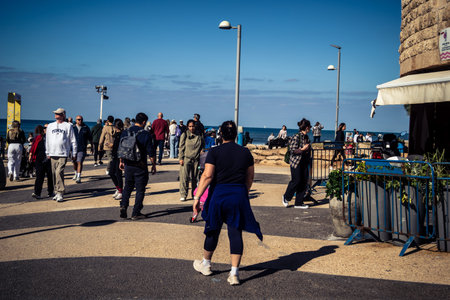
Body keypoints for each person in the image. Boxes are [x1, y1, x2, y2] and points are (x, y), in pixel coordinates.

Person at [192, 120, 262, 286]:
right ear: (236, 134)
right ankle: (234, 273)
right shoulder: (245, 152)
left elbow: (207, 176)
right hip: (238, 195)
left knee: (213, 230)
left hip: (219, 195)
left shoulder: (214, 152)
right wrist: (243, 191)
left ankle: (206, 264)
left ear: (221, 134)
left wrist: (197, 198)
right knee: (235, 232)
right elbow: (250, 177)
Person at [119, 112, 156, 220]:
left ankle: (124, 205)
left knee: (128, 186)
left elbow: (121, 148)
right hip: (140, 165)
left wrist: (121, 161)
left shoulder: (126, 132)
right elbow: (151, 153)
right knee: (140, 189)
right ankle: (136, 212)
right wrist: (153, 165)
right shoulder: (145, 134)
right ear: (144, 122)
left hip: (128, 164)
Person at [46, 108, 77, 202]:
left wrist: (74, 152)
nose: (56, 115)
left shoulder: (68, 126)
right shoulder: (50, 126)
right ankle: (56, 191)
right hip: (52, 152)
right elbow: (47, 140)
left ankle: (60, 192)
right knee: (54, 173)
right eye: (55, 113)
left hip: (63, 153)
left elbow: (73, 140)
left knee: (59, 172)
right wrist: (47, 152)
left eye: (59, 114)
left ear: (63, 115)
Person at [282, 118, 312, 209]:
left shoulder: (306, 137)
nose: (310, 129)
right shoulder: (296, 136)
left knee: (303, 182)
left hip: (304, 162)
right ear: (306, 127)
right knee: (296, 181)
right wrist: (303, 149)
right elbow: (292, 150)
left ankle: (298, 203)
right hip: (296, 162)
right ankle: (286, 197)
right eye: (309, 127)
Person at [178, 119, 204, 201]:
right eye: (190, 126)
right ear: (187, 127)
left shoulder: (199, 135)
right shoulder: (184, 134)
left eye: (193, 126)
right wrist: (181, 158)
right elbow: (181, 147)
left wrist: (201, 151)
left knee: (195, 177)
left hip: (196, 159)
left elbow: (202, 145)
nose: (191, 128)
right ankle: (183, 194)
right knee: (184, 177)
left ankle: (194, 193)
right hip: (186, 158)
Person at [30, 125, 54, 199]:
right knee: (39, 176)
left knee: (50, 176)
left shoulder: (52, 138)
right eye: (44, 128)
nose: (45, 129)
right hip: (39, 159)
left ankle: (50, 192)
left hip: (50, 159)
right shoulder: (38, 138)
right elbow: (33, 147)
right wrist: (30, 155)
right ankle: (37, 193)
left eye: (47, 128)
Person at [72, 115, 92, 183]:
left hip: (82, 148)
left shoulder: (86, 128)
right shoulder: (72, 128)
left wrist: (92, 147)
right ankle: (75, 173)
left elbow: (90, 138)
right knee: (74, 163)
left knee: (79, 162)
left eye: (81, 119)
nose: (80, 121)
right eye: (78, 119)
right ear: (76, 120)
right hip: (73, 149)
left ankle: (78, 177)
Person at [110, 118, 124, 200]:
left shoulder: (121, 135)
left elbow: (120, 147)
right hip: (114, 156)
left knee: (118, 174)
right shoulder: (116, 135)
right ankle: (118, 188)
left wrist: (121, 160)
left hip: (119, 157)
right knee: (111, 173)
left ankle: (121, 191)